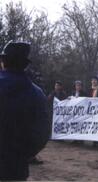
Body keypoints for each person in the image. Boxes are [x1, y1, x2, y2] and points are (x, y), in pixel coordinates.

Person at [0, 41, 50, 180]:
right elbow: (43, 132)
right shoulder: (37, 94)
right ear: (26, 64)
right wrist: (24, 154)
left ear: (3, 61)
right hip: (17, 165)